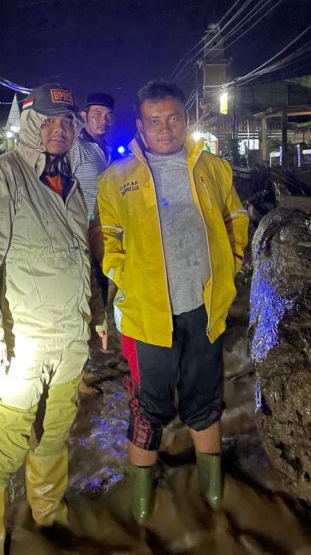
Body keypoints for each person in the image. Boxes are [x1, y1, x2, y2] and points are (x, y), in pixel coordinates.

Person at [93, 80, 249, 524]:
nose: (165, 128)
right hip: (148, 315)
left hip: (204, 310)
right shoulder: (115, 179)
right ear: (141, 125)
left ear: (186, 118)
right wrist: (125, 276)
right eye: (155, 121)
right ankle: (142, 508)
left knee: (205, 401)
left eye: (173, 118)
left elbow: (236, 216)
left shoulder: (213, 168)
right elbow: (108, 237)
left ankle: (213, 499)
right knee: (149, 406)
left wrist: (232, 263)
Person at [0, 83, 102, 553]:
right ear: (30, 123)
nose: (57, 130)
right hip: (19, 346)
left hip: (70, 340)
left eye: (66, 121)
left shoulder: (73, 186)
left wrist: (97, 316)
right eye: (47, 120)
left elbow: (82, 258)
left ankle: (50, 521)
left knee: (54, 436)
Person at [68, 91, 116, 356]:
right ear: (84, 116)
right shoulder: (76, 148)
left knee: (102, 287)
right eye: (96, 114)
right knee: (84, 290)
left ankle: (97, 345)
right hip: (81, 232)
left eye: (108, 115)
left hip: (104, 234)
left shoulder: (106, 149)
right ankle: (80, 358)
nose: (103, 120)